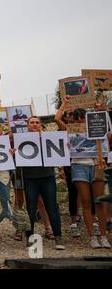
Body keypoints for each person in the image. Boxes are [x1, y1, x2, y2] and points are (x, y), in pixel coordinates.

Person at [55, 97, 110, 248]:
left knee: (99, 201)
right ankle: (92, 237)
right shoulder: (69, 131)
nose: (79, 120)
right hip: (79, 165)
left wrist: (101, 108)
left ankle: (103, 236)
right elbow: (57, 118)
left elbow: (107, 129)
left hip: (97, 164)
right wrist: (65, 103)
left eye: (82, 117)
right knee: (85, 202)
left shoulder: (97, 127)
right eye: (76, 118)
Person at [17, 116, 65, 250]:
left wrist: (64, 147)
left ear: (40, 125)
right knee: (30, 209)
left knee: (52, 208)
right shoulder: (20, 140)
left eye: (37, 122)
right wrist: (13, 153)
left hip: (47, 177)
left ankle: (58, 237)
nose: (34, 124)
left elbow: (61, 141)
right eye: (32, 122)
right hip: (29, 178)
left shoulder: (48, 138)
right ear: (27, 125)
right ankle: (30, 237)